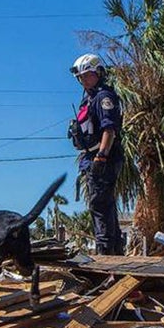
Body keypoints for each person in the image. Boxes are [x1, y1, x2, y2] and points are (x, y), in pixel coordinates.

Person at [68, 53, 124, 255]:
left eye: (87, 75)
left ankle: (106, 257)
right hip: (91, 157)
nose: (83, 80)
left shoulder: (103, 97)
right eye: (81, 77)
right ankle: (115, 256)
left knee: (100, 206)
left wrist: (101, 156)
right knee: (104, 207)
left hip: (102, 158)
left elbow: (110, 130)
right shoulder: (89, 98)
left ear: (98, 73)